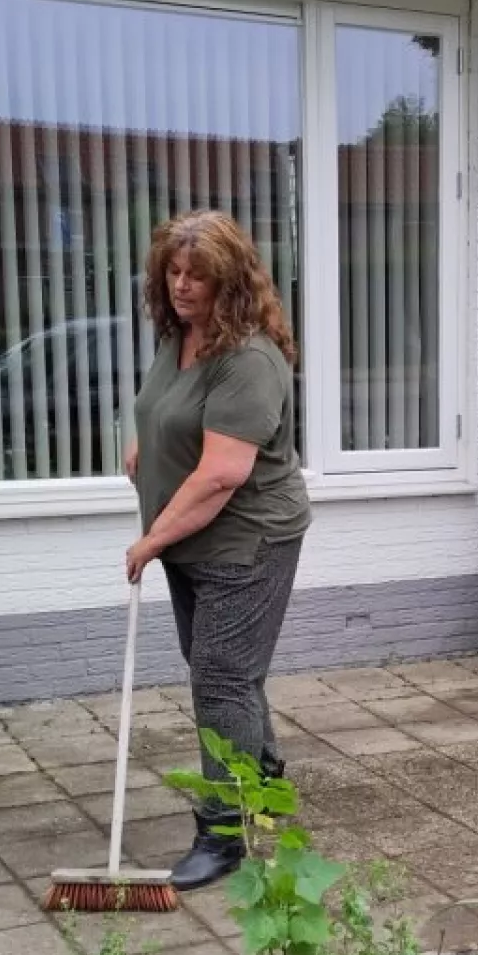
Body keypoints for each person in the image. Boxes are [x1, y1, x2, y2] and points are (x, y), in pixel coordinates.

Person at [124, 210, 312, 891]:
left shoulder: (251, 360)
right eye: (172, 273)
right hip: (193, 541)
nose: (180, 287)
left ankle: (224, 832)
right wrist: (147, 444)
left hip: (248, 540)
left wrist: (149, 538)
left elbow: (223, 474)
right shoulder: (181, 337)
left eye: (196, 277)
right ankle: (263, 781)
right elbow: (167, 408)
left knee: (221, 679)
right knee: (225, 672)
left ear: (229, 282)